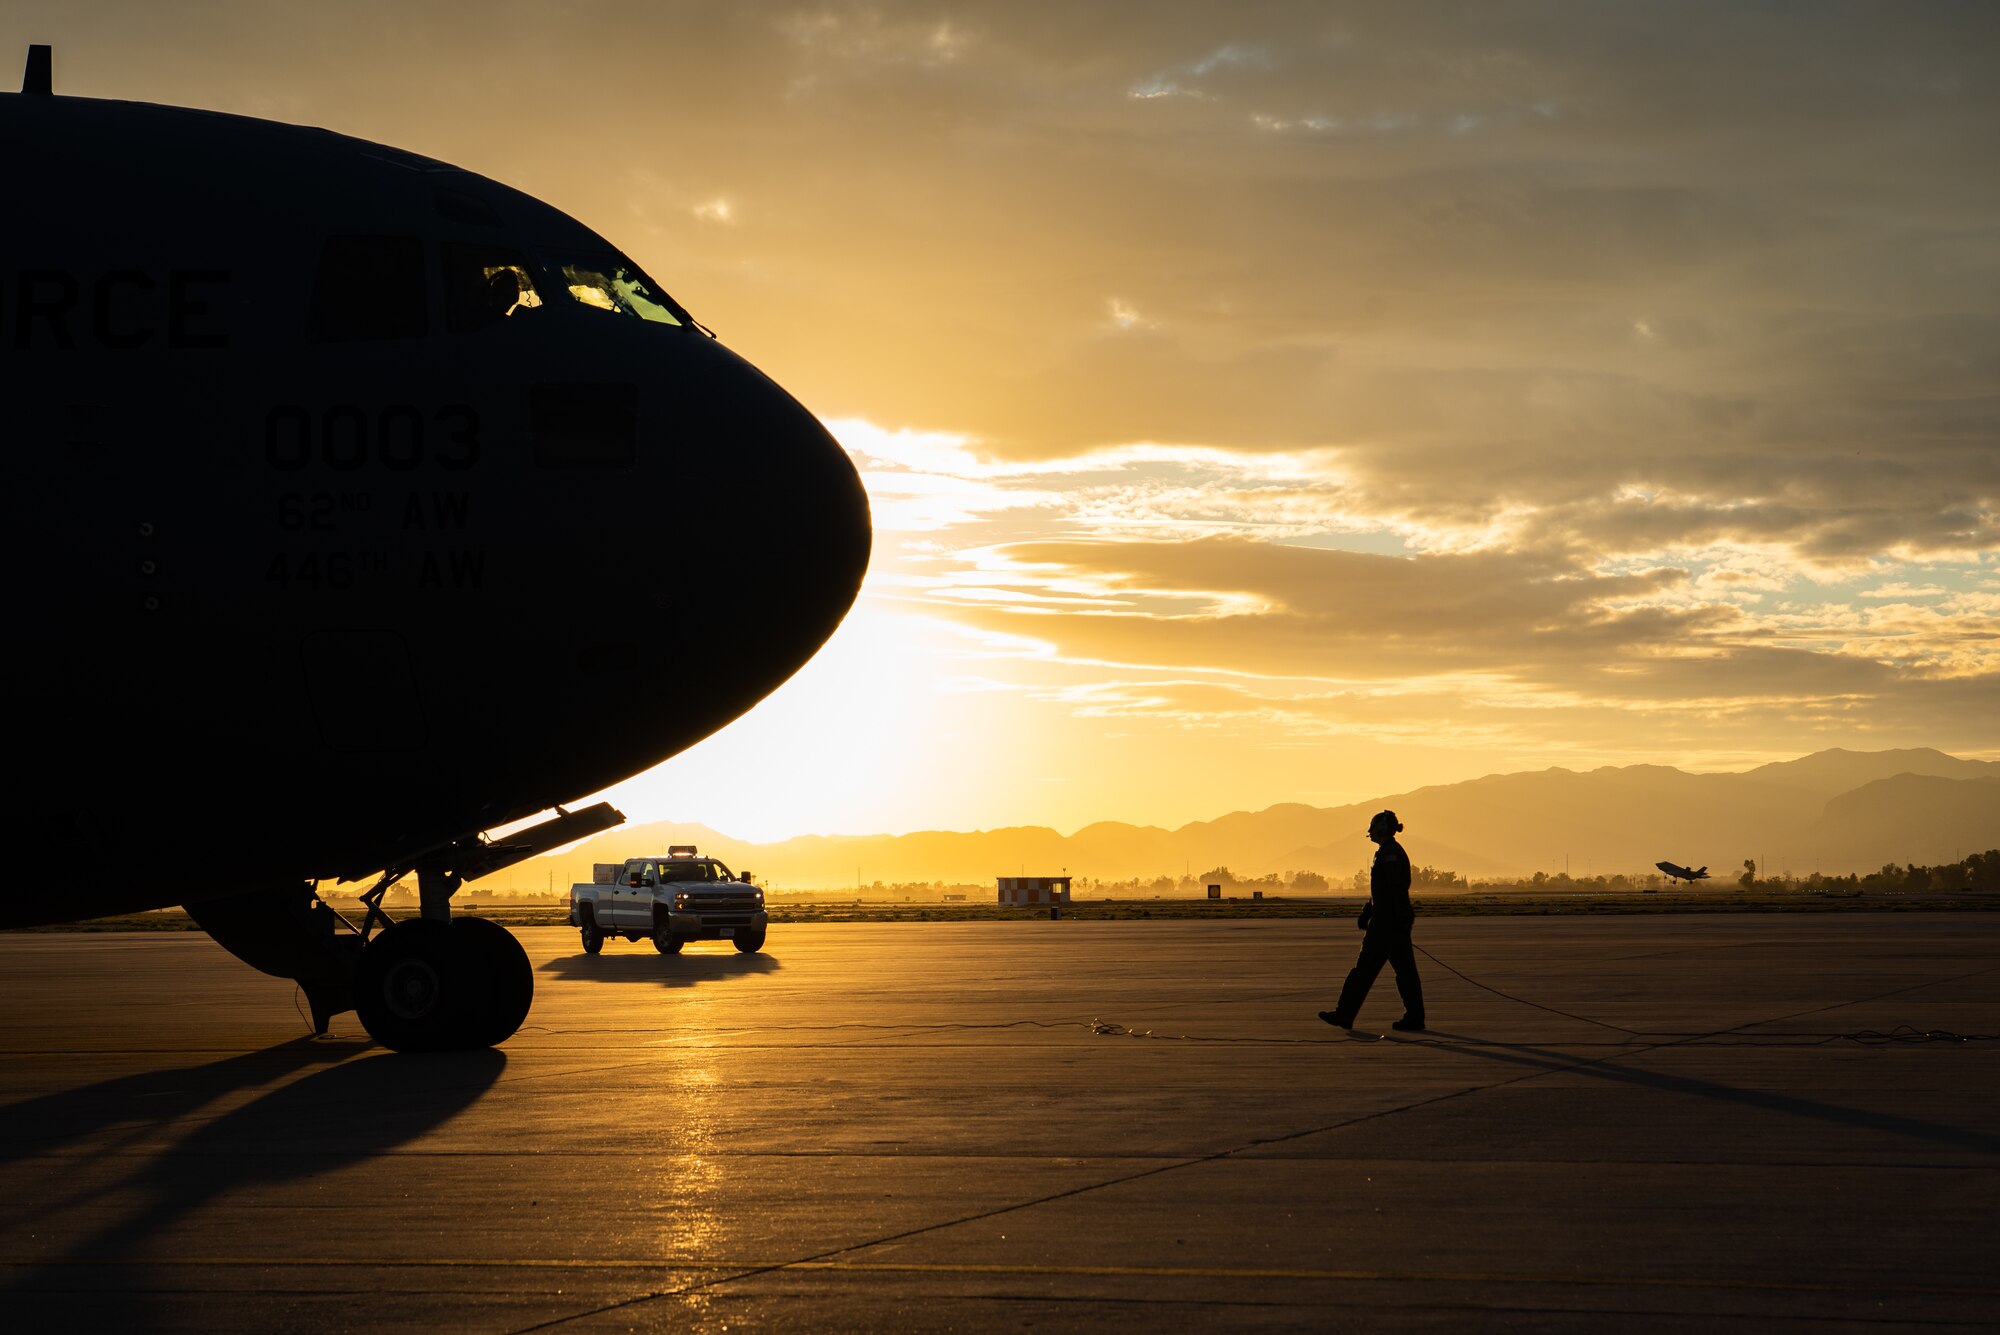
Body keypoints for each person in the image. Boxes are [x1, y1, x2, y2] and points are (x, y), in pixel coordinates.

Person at [1321, 810, 1425, 1032]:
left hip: (1388, 924)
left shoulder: (1391, 854)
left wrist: (1393, 919)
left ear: (1382, 829)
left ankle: (1344, 1014)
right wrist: (1368, 910)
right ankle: (1415, 1017)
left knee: (1364, 970)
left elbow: (1396, 889)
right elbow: (1382, 890)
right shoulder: (1386, 852)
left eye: (1373, 827)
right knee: (1404, 972)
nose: (1370, 832)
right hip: (1390, 921)